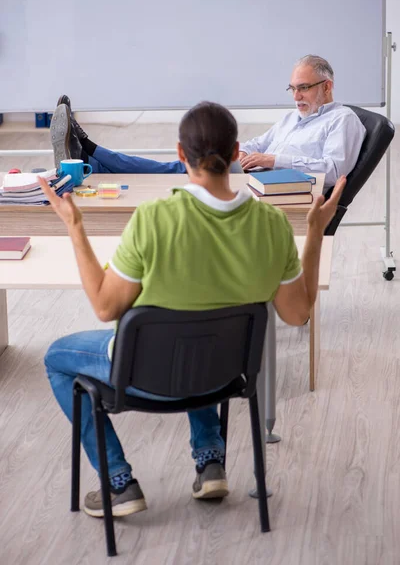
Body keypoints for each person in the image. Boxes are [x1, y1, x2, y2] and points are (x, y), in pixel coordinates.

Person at [41, 101, 345, 519]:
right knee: (202, 327)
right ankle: (210, 460)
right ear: (237, 152)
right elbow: (297, 314)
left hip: (146, 374)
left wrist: (74, 225)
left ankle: (118, 482)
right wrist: (313, 231)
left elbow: (103, 305)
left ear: (180, 155)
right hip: (225, 373)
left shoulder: (154, 219)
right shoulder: (272, 225)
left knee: (57, 358)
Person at [239, 55, 366, 191]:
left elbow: (334, 172)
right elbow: (258, 144)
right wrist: (243, 153)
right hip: (257, 183)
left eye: (304, 88)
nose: (296, 96)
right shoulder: (292, 117)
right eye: (292, 89)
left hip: (287, 195)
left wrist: (274, 160)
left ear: (326, 87)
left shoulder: (343, 119)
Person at [50, 95, 243, 175]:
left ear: (180, 151)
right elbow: (260, 142)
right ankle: (88, 158)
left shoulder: (153, 215)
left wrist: (271, 160)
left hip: (248, 172)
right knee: (169, 170)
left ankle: (87, 153)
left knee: (171, 171)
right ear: (236, 150)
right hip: (242, 165)